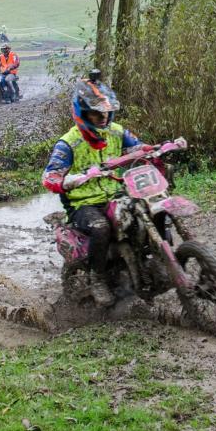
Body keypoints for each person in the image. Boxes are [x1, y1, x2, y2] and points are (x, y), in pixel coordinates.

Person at [42, 78, 145, 306]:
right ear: (83, 113)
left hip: (115, 195)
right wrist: (71, 180)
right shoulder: (68, 143)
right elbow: (49, 177)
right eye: (96, 113)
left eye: (106, 112)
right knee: (101, 227)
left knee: (144, 211)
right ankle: (97, 277)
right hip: (83, 205)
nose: (103, 117)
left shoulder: (117, 132)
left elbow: (140, 148)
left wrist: (161, 148)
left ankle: (149, 260)